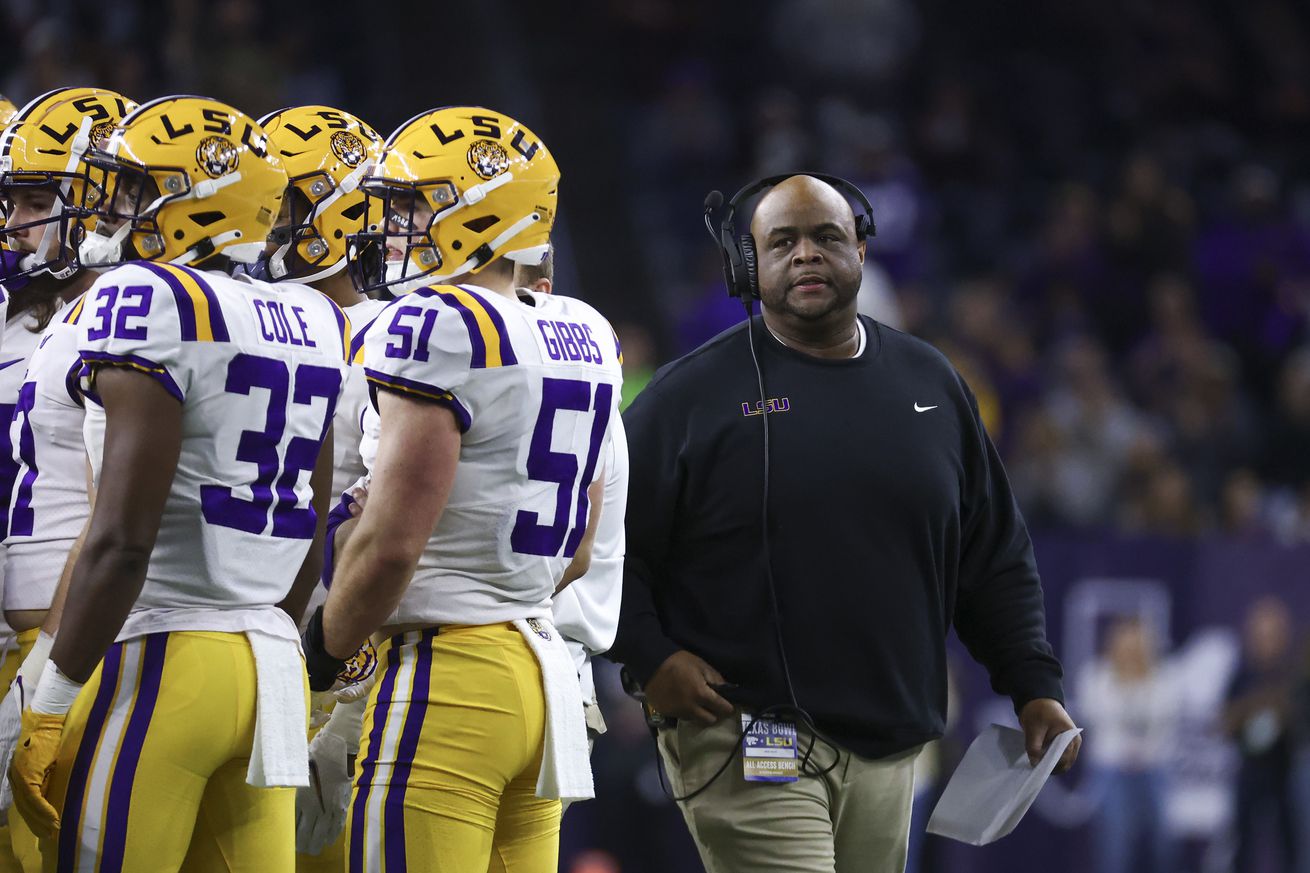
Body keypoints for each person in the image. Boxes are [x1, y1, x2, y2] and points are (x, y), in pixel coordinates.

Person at [609, 174, 1080, 873]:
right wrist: (648, 654)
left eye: (826, 237)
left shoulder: (932, 382)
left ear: (861, 251)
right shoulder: (688, 397)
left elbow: (993, 555)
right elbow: (596, 539)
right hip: (746, 736)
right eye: (783, 242)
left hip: (892, 746)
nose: (806, 255)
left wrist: (1034, 683)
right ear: (749, 266)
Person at [6, 95, 349, 870]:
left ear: (196, 202)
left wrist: (50, 702)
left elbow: (122, 539)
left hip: (161, 657)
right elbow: (310, 525)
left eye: (134, 188)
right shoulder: (311, 316)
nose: (116, 207)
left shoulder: (154, 299)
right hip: (267, 663)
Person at [299, 106, 624, 872]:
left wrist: (318, 659)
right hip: (539, 673)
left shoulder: (436, 323)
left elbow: (391, 547)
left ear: (479, 213)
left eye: (414, 204)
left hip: (443, 677)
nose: (391, 225)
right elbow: (577, 547)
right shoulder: (585, 331)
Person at [0, 85, 136, 873]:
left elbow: (108, 518)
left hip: (74, 647)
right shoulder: (36, 312)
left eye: (30, 199)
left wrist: (45, 672)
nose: (15, 223)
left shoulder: (125, 314)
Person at [259, 102, 390, 873]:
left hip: (339, 650)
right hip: (269, 637)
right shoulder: (263, 318)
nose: (269, 223)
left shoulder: (393, 335)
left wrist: (335, 674)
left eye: (289, 204)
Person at [1079, 616, 1179, 873]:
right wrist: (1125, 685)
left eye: (1137, 646)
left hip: (1153, 767)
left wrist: (1140, 683)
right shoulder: (1096, 676)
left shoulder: (1164, 678)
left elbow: (1165, 713)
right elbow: (1095, 713)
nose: (1131, 652)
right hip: (1111, 768)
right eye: (1125, 645)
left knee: (1164, 843)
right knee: (1115, 844)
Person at [1223, 596, 1299, 873]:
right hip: (1250, 767)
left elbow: (1299, 717)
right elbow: (1224, 722)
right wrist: (1256, 705)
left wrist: (1282, 709)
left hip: (1284, 769)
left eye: (1272, 634)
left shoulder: (1293, 674)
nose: (1266, 641)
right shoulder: (1242, 674)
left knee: (1290, 842)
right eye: (1261, 634)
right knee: (1243, 842)